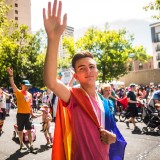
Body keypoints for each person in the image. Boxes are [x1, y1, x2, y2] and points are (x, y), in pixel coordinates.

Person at [43, 1, 126, 160]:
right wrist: (53, 38)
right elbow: (51, 82)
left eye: (91, 66)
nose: (88, 71)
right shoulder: (73, 96)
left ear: (97, 70)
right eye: (82, 68)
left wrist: (113, 138)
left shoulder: (105, 102)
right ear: (76, 75)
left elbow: (113, 131)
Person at [7, 67, 35, 152]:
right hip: (20, 114)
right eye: (26, 85)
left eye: (28, 86)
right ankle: (21, 143)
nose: (27, 87)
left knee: (29, 130)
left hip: (27, 115)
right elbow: (12, 84)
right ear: (22, 85)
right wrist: (11, 75)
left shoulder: (30, 94)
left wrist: (32, 113)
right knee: (20, 130)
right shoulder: (18, 92)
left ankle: (31, 144)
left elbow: (30, 105)